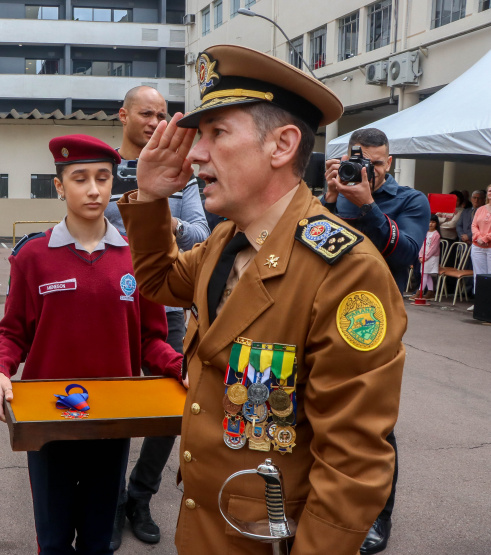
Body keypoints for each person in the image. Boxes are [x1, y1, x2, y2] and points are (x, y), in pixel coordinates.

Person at [117, 45, 406, 554]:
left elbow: (353, 467)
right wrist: (151, 197)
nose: (195, 154)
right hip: (207, 528)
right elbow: (159, 281)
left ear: (282, 145)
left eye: (217, 134)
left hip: (267, 539)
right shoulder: (227, 241)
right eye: (198, 137)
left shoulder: (345, 270)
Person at [0, 134, 185, 555]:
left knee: (98, 541)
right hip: (49, 419)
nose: (93, 190)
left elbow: (151, 339)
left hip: (113, 422)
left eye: (103, 178)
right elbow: (13, 333)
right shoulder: (33, 256)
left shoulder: (136, 257)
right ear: (59, 186)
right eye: (80, 179)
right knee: (54, 540)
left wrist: (179, 366)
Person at [103, 85, 209, 549]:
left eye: (162, 114)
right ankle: (105, 501)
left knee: (171, 409)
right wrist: (138, 199)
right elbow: (82, 222)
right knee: (110, 407)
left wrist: (155, 207)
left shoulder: (182, 175)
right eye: (146, 113)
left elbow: (200, 235)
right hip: (109, 306)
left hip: (165, 307)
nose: (154, 121)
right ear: (123, 115)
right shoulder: (100, 168)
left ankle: (139, 495)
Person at [323, 127, 428, 554]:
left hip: (375, 321)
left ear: (389, 162)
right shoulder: (338, 191)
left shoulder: (410, 200)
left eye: (378, 163)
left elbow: (405, 252)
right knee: (322, 411)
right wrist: (330, 201)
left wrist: (367, 206)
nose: (368, 170)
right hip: (326, 312)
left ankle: (377, 516)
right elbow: (309, 244)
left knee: (375, 424)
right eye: (361, 160)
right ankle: (326, 504)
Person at [469, 184, 491, 311]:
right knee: (479, 275)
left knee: (490, 274)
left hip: (490, 246)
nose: (490, 193)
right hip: (478, 246)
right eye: (489, 190)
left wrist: (486, 238)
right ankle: (479, 302)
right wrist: (478, 237)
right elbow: (474, 225)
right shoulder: (480, 209)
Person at [418, 215, 441, 298]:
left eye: (433, 222)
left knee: (425, 273)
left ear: (436, 224)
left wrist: (425, 257)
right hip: (424, 256)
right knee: (425, 274)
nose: (431, 224)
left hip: (431, 257)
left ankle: (420, 292)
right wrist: (420, 255)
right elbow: (422, 245)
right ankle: (430, 291)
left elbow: (433, 248)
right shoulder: (426, 232)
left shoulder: (436, 235)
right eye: (429, 222)